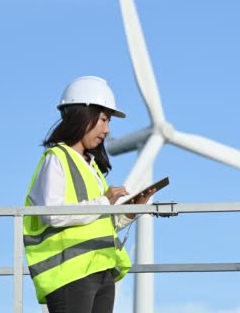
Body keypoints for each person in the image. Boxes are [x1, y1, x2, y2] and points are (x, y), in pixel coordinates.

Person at [22, 75, 153, 313]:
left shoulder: (91, 167)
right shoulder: (56, 159)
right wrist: (104, 201)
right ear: (82, 116)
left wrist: (130, 212)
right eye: (103, 119)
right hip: (70, 273)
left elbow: (97, 222)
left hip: (101, 269)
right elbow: (52, 214)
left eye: (109, 121)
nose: (107, 130)